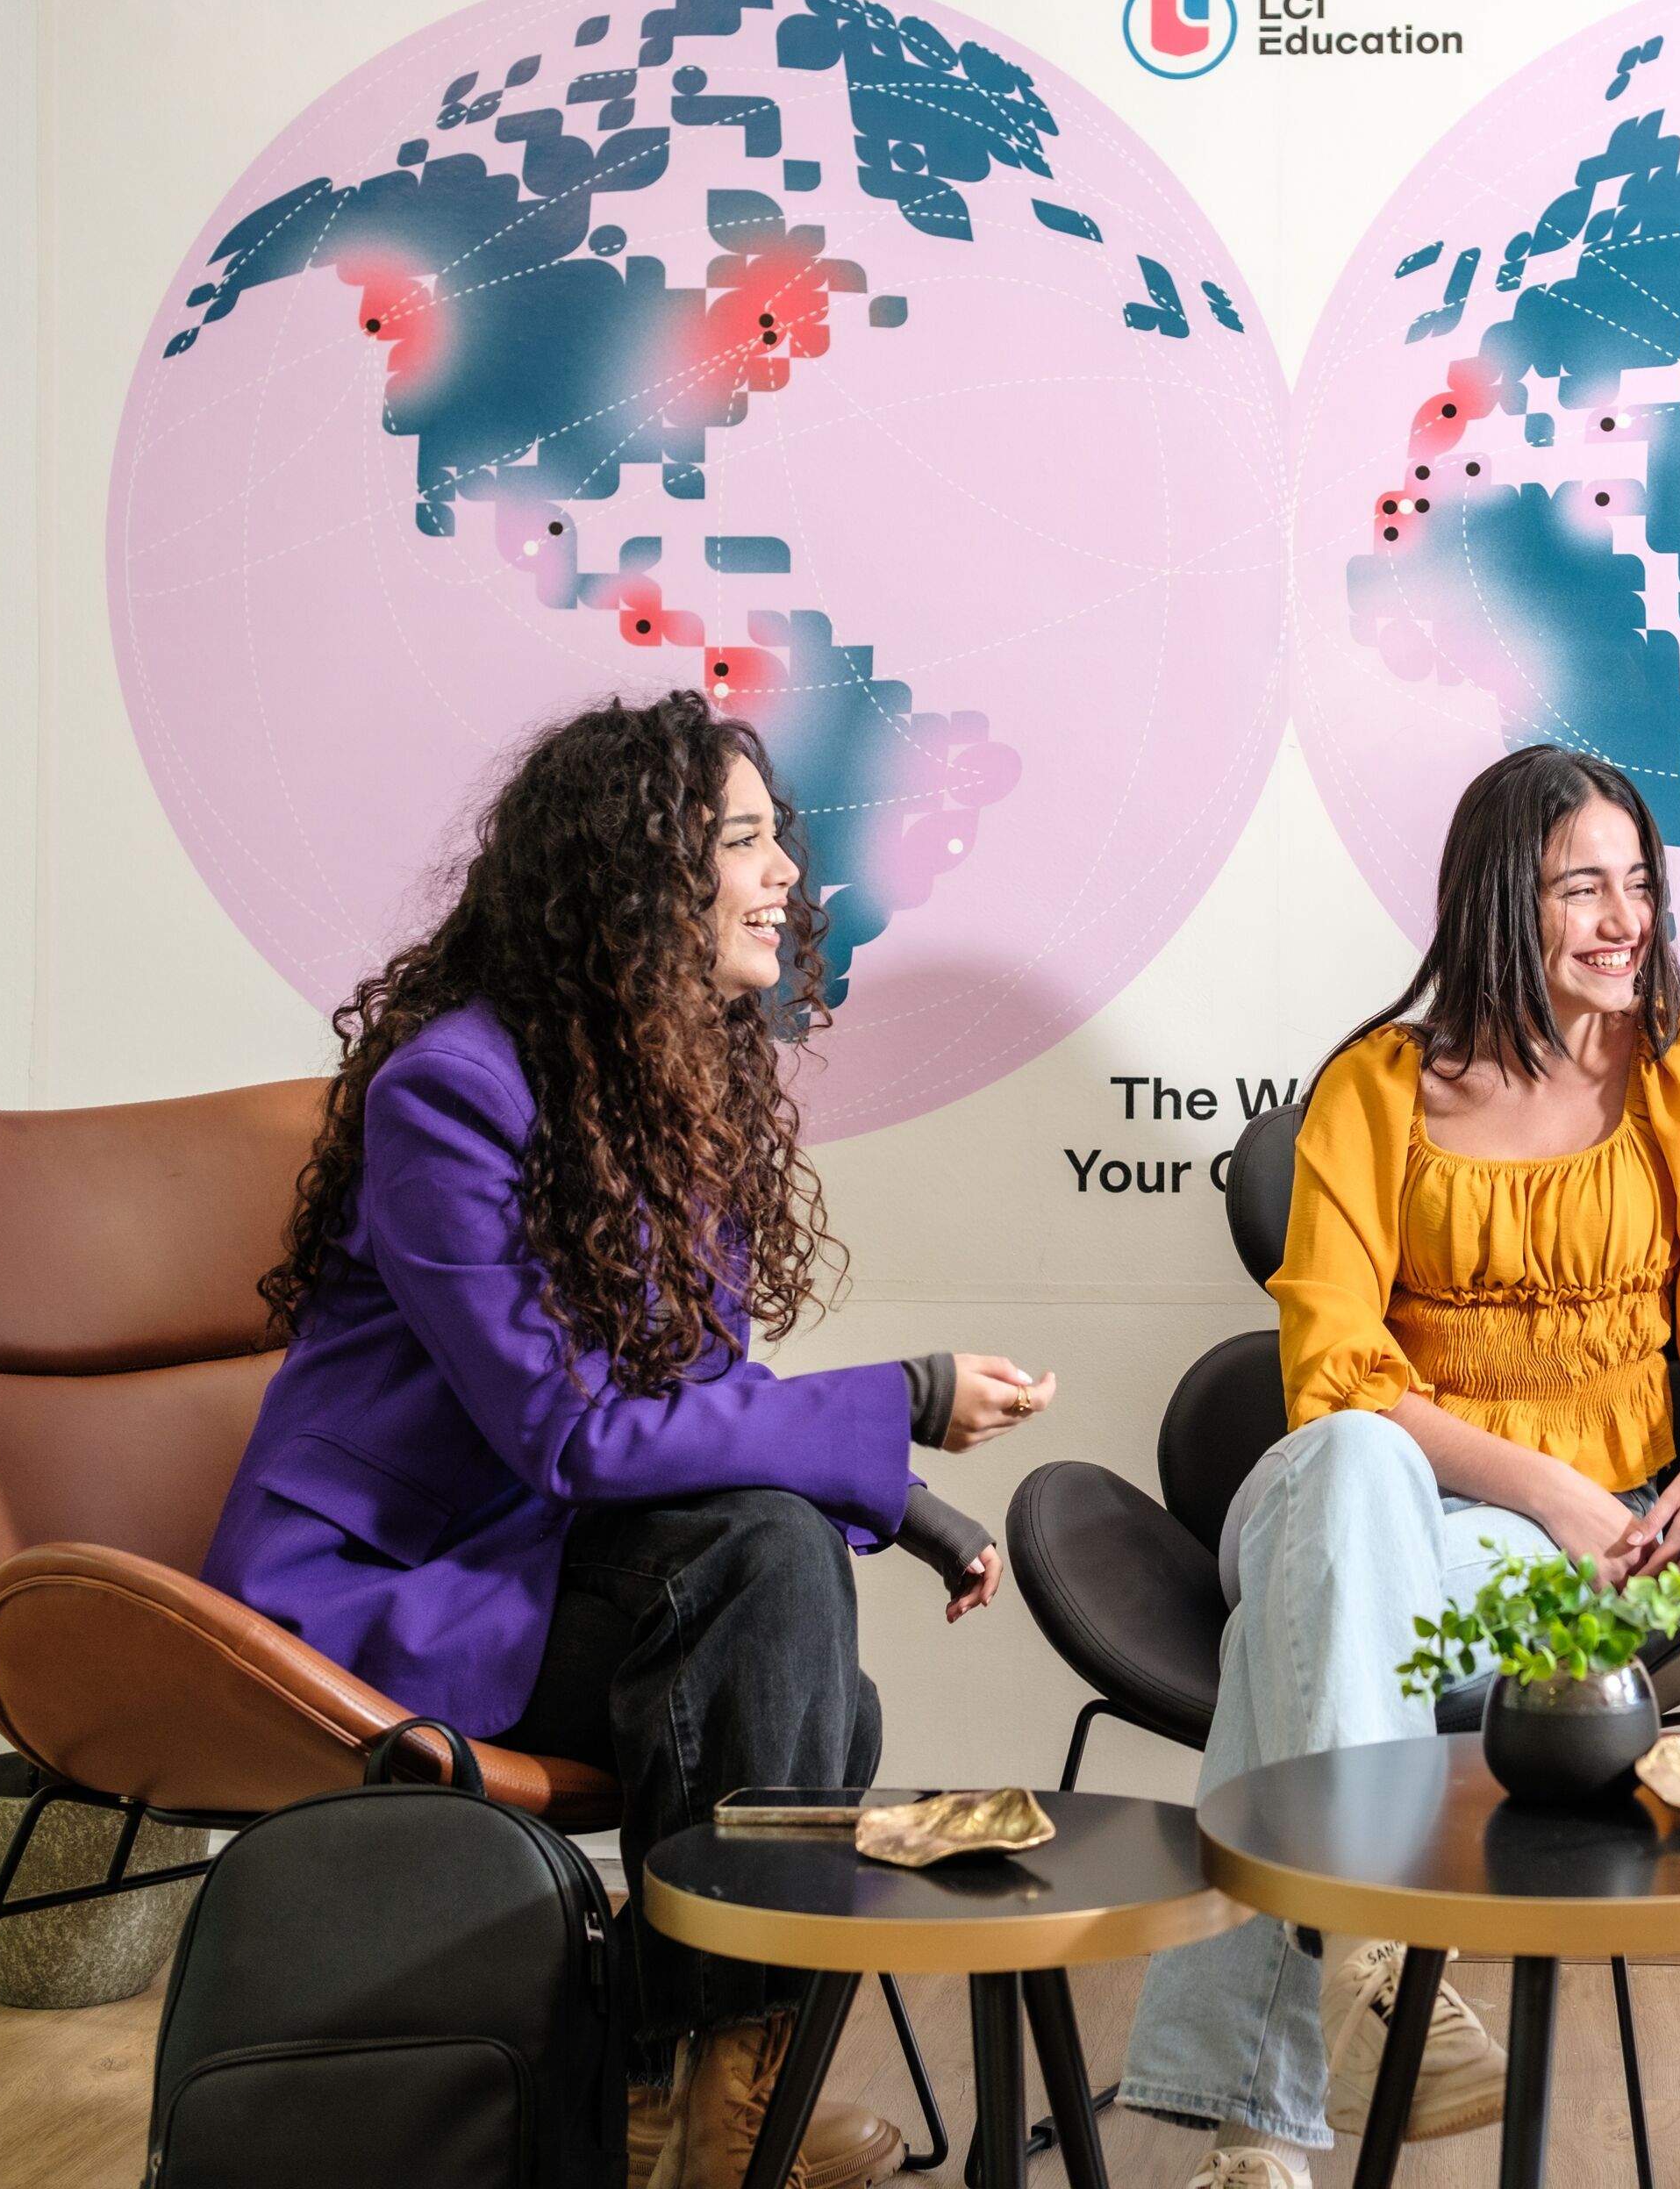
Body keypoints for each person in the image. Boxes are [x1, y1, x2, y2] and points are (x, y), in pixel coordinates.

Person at [204, 691, 1062, 2189]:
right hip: (387, 1587)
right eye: (744, 839)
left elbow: (693, 1395)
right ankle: (718, 2107)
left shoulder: (659, 1089)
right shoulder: (448, 1095)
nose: (786, 871)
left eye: (774, 837)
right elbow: (573, 1431)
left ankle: (692, 2101)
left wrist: (906, 1498)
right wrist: (904, 1398)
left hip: (544, 1566)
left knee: (796, 1654)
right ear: (634, 878)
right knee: (788, 1639)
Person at [1119, 745, 1680, 2189]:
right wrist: (1542, 1482)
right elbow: (1338, 1373)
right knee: (1342, 1474)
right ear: (1499, 902)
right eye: (1582, 886)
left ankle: (1261, 2132)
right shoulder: (1374, 1089)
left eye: (1638, 881)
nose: (1624, 917)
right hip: (1368, 1497)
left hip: (1555, 1553)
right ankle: (1373, 1946)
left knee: (1296, 1631)